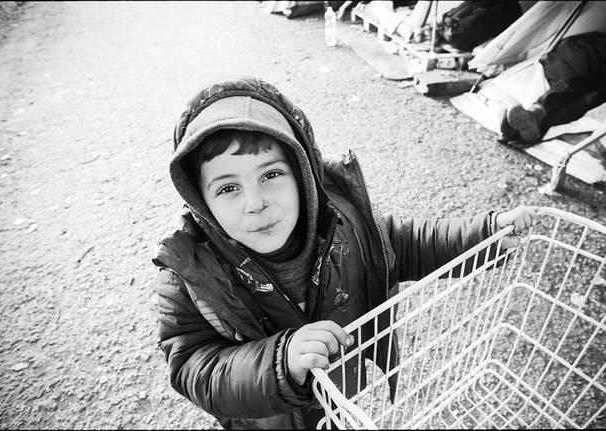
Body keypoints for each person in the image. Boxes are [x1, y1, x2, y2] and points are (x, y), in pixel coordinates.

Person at [151, 75, 538, 429]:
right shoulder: (189, 272)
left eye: (271, 175)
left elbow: (407, 243)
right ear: (199, 199)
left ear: (303, 173)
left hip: (341, 392)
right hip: (269, 416)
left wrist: (484, 236)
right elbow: (192, 365)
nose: (255, 203)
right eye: (227, 188)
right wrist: (279, 362)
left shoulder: (342, 221)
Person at [500, 32, 606, 147]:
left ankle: (533, 118)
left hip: (580, 57)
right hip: (571, 51)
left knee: (574, 99)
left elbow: (587, 96)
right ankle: (535, 116)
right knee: (572, 98)